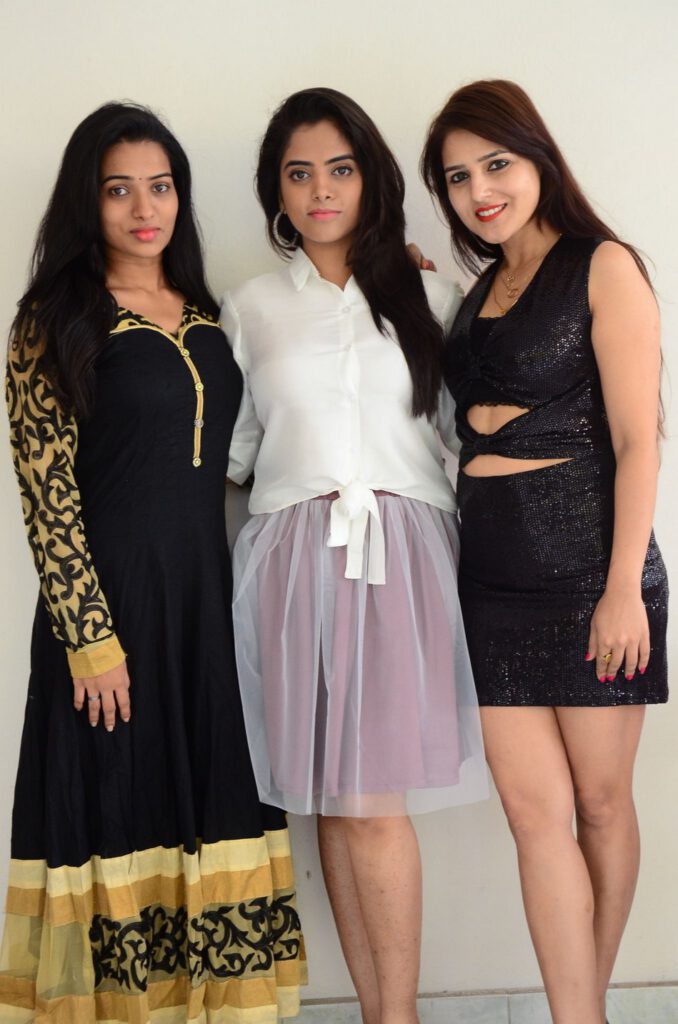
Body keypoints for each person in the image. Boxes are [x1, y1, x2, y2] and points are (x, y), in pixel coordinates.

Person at [0, 102, 305, 1024]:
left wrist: (387, 279)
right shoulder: (52, 322)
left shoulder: (213, 317)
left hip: (207, 611)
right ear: (85, 202)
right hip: (111, 617)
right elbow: (46, 496)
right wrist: (89, 639)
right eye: (119, 190)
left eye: (161, 187)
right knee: (117, 810)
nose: (145, 208)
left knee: (208, 803)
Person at [222, 87, 487, 1024]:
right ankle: (381, 1013)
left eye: (339, 169)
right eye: (299, 174)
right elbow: (234, 453)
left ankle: (398, 1014)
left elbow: (467, 434)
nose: (321, 190)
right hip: (292, 562)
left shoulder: (436, 298)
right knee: (333, 804)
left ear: (371, 178)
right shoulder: (249, 308)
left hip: (400, 560)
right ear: (277, 192)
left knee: (373, 806)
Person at [420, 79, 668, 1024]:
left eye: (496, 164)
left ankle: (579, 1012)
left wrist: (622, 590)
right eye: (457, 177)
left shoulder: (603, 265)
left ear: (537, 158)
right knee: (534, 818)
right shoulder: (475, 294)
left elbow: (640, 441)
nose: (480, 191)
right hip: (489, 583)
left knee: (599, 805)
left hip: (590, 577)